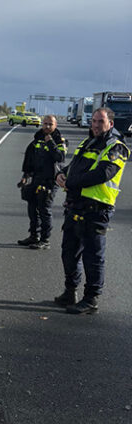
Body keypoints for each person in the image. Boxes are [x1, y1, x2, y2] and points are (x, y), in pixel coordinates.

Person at [54, 107, 129, 314]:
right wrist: (60, 175)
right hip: (75, 207)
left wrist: (70, 182)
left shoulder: (117, 147)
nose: (96, 125)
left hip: (96, 210)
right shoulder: (87, 142)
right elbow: (74, 167)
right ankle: (70, 291)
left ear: (110, 124)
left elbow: (102, 174)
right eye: (94, 121)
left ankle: (91, 299)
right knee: (68, 253)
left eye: (100, 122)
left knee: (93, 257)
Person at [16, 115, 66, 249]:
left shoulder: (59, 140)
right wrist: (25, 175)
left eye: (50, 124)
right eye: (45, 124)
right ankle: (34, 236)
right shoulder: (37, 138)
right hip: (36, 178)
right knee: (32, 207)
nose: (47, 126)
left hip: (50, 180)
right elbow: (30, 159)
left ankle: (45, 240)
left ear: (55, 125)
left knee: (44, 209)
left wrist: (50, 143)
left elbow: (60, 157)